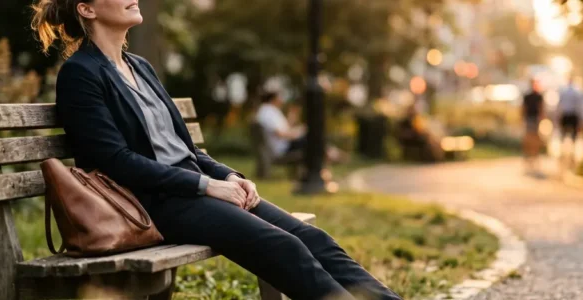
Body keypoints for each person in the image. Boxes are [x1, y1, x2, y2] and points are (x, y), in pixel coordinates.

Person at [30, 1, 399, 299]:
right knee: (283, 246)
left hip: (193, 190)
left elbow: (186, 150)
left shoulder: (140, 67)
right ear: (87, 9)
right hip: (152, 202)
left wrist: (229, 176)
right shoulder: (80, 74)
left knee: (315, 239)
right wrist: (206, 186)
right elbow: (115, 162)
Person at [254, 91, 307, 158]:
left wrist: (292, 117)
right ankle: (318, 167)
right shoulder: (267, 112)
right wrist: (298, 133)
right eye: (280, 97)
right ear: (273, 99)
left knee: (313, 139)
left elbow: (285, 129)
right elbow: (280, 134)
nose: (282, 99)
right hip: (282, 149)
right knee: (313, 140)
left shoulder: (270, 110)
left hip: (284, 146)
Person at [522, 79, 545, 172]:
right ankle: (529, 156)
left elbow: (541, 108)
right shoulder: (527, 96)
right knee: (529, 138)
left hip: (535, 119)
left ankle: (534, 156)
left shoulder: (539, 96)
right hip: (530, 119)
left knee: (534, 138)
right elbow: (524, 108)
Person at [556, 78, 583, 142]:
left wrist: (558, 114)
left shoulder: (564, 91)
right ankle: (571, 144)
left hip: (566, 113)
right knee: (573, 134)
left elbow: (560, 104)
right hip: (572, 114)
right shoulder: (576, 91)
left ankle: (565, 146)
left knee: (564, 133)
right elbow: (578, 105)